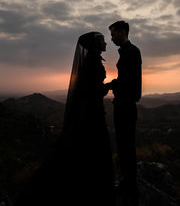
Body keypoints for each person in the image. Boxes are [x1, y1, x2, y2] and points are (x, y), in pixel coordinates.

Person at [14, 32, 115, 206]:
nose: (106, 42)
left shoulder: (91, 59)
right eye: (102, 40)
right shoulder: (92, 61)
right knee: (96, 144)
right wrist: (111, 85)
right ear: (96, 44)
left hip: (91, 110)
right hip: (92, 112)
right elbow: (94, 90)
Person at [107, 21, 142, 205]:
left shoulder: (132, 52)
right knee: (123, 146)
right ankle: (128, 184)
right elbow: (125, 79)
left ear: (122, 32)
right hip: (122, 104)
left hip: (126, 106)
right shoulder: (127, 52)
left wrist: (110, 85)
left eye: (113, 34)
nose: (111, 38)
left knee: (126, 147)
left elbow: (129, 82)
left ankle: (130, 189)